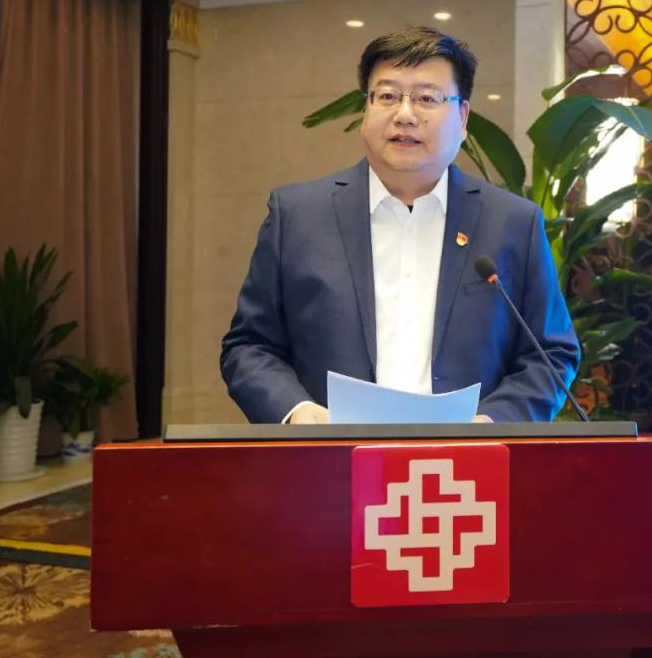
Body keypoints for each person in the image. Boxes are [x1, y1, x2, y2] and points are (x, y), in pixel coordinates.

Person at [220, 26, 579, 424]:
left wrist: (494, 421)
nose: (405, 115)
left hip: (468, 459)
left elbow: (551, 354)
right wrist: (297, 412)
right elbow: (249, 346)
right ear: (366, 109)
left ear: (462, 117)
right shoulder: (298, 215)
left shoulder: (512, 222)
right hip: (329, 455)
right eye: (388, 96)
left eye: (427, 98)